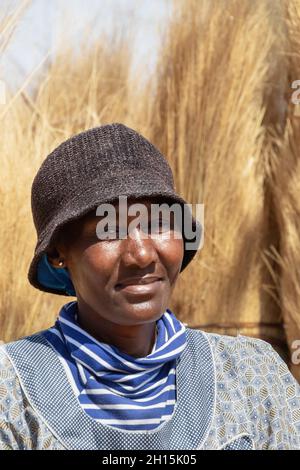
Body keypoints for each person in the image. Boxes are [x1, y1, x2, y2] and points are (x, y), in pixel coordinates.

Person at [0, 123, 300, 450]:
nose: (142, 254)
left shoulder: (252, 375)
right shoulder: (12, 391)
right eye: (109, 231)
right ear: (59, 253)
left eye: (158, 224)